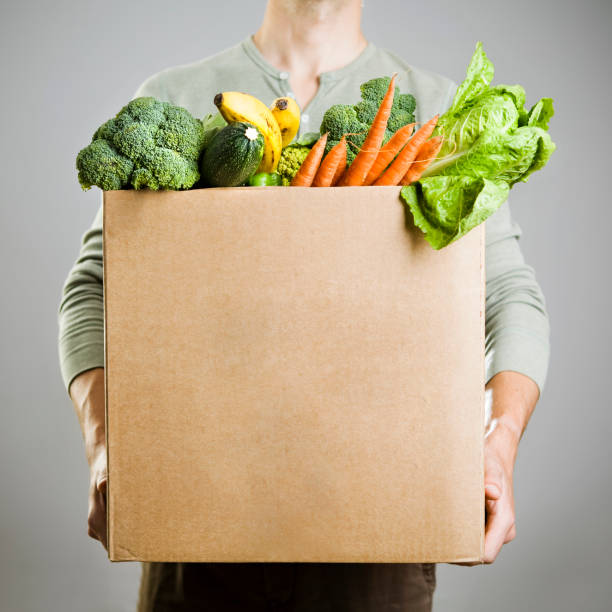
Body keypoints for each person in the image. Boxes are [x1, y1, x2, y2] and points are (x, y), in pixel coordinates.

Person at [58, 0, 550, 610]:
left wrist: (497, 443)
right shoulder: (176, 98)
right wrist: (105, 441)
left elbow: (507, 294)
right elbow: (92, 287)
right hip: (195, 526)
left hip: (380, 537)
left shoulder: (436, 111)